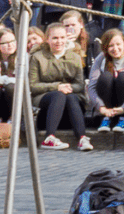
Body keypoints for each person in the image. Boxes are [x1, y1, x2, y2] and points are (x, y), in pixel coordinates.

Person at [32, 22, 90, 151]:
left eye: (62, 38)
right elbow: (33, 86)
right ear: (47, 39)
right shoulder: (37, 57)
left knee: (69, 97)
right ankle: (49, 138)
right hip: (45, 101)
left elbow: (79, 84)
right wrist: (57, 86)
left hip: (71, 102)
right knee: (59, 94)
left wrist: (67, 88)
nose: (59, 41)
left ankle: (82, 138)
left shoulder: (75, 57)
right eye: (55, 38)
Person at [86, 28, 124, 132]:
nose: (115, 48)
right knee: (105, 77)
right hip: (106, 108)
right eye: (111, 46)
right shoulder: (101, 59)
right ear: (105, 47)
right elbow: (91, 86)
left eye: (118, 44)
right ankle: (106, 119)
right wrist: (101, 107)